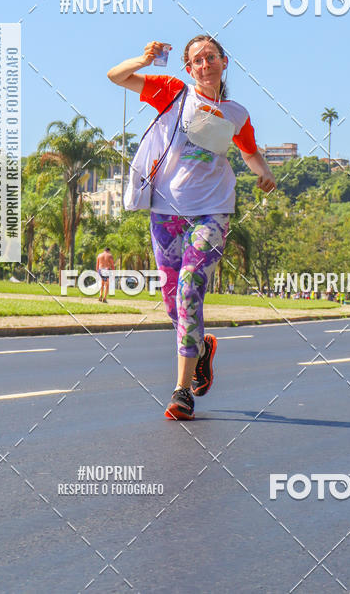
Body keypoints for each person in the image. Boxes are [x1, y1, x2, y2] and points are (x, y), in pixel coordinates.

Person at [108, 37, 276, 420]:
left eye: (210, 57)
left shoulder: (236, 112)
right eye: (197, 60)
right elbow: (116, 76)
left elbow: (249, 151)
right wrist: (144, 58)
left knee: (188, 289)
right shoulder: (171, 93)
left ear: (224, 61)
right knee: (172, 302)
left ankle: (182, 392)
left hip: (213, 211)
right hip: (165, 212)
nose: (205, 64)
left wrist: (263, 172)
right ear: (188, 68)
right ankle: (201, 349)